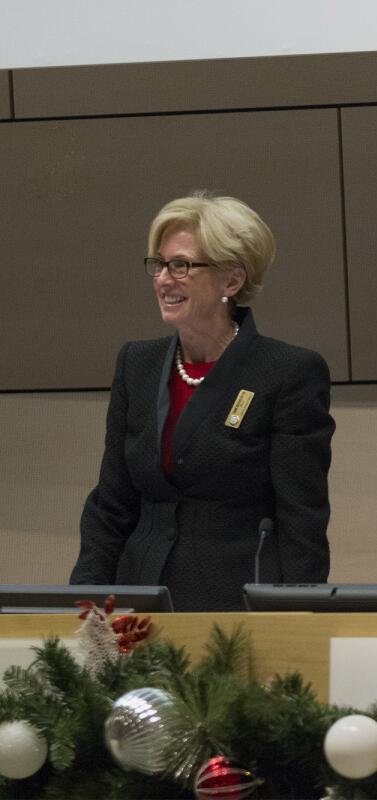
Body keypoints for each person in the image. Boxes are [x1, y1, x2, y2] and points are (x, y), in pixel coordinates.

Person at [70, 193, 335, 611]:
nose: (163, 279)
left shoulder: (287, 372)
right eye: (159, 265)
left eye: (181, 265)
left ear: (231, 280)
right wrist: (83, 601)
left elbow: (302, 520)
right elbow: (112, 503)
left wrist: (298, 622)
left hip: (235, 607)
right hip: (137, 604)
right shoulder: (136, 364)